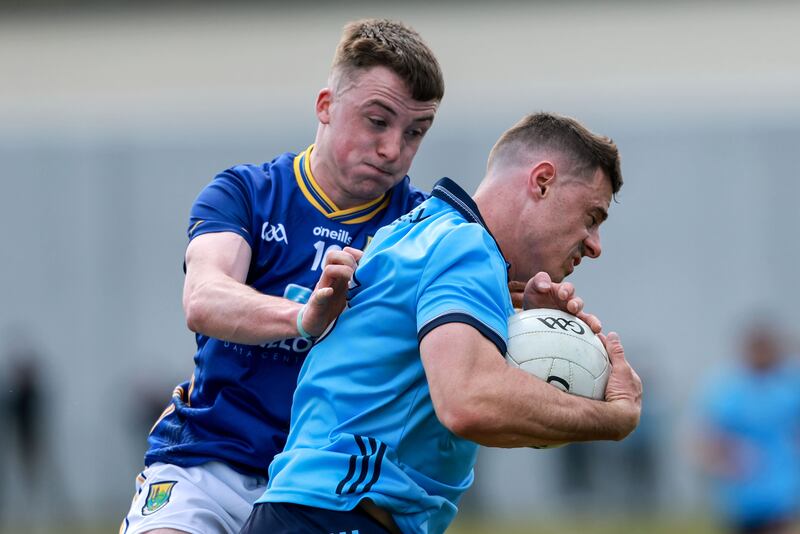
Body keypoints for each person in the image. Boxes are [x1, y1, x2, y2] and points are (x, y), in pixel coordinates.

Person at [241, 112, 643, 534]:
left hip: (312, 510)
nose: (595, 246)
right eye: (592, 217)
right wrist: (613, 417)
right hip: (338, 514)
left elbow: (467, 405)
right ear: (542, 181)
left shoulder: (415, 232)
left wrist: (523, 335)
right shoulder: (467, 246)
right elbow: (468, 403)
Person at [122, 19, 446, 534]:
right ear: (325, 106)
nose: (393, 149)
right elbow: (204, 299)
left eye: (415, 133)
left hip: (327, 487)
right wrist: (304, 317)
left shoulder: (425, 230)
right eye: (377, 121)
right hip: (208, 462)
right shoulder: (248, 193)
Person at [696, 324, 800, 534]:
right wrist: (726, 461)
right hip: (740, 496)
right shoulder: (729, 389)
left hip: (781, 492)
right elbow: (708, 438)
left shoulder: (789, 385)